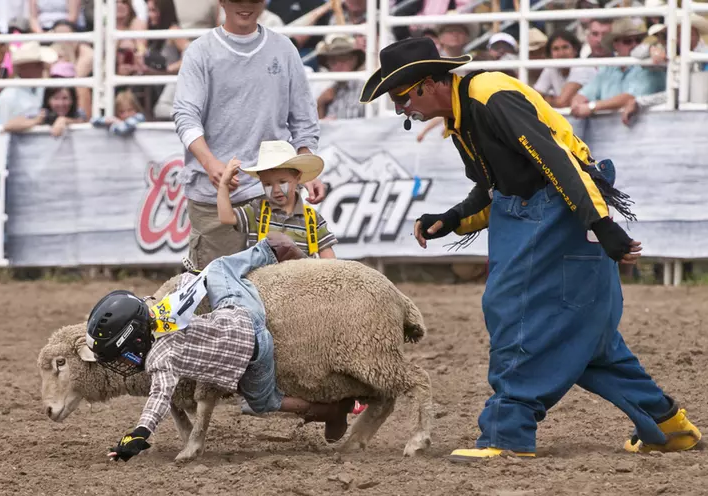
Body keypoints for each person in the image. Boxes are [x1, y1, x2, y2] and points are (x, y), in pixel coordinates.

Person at [359, 37, 702, 461]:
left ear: (429, 84)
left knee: (513, 311)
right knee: (588, 337)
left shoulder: (491, 96)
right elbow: (498, 185)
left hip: (559, 214)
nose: (399, 109)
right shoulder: (466, 113)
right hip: (555, 212)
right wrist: (452, 219)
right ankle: (667, 425)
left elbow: (554, 159)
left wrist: (601, 224)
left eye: (400, 96)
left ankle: (508, 431)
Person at [83, 233, 355, 462]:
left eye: (122, 355)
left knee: (263, 401)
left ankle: (330, 411)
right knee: (218, 268)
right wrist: (191, 274)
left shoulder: (160, 358)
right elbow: (189, 285)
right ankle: (269, 250)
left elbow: (159, 399)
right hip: (244, 312)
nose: (125, 362)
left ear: (134, 342)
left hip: (256, 351)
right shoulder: (159, 313)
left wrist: (139, 434)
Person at [171, 0, 325, 275]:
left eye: (252, 0)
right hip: (217, 196)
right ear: (222, 2)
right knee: (214, 293)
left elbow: (304, 118)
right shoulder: (201, 52)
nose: (245, 6)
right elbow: (185, 115)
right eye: (237, 0)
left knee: (290, 294)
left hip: (274, 190)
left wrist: (306, 165)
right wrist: (210, 163)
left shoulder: (283, 49)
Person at [218, 140, 337, 258]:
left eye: (282, 182)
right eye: (268, 184)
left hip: (301, 276)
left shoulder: (312, 218)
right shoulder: (256, 211)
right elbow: (226, 217)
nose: (276, 190)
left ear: (298, 177)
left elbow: (328, 257)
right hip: (263, 276)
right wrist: (223, 184)